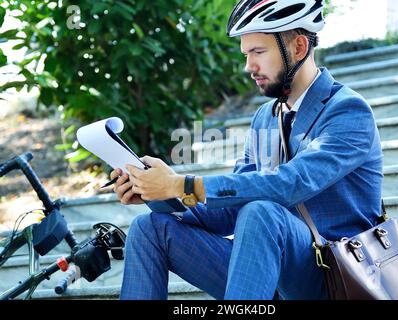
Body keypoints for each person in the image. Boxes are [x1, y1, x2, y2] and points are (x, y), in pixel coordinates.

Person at [113, 0, 383, 300]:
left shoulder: (347, 111)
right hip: (265, 274)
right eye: (246, 54)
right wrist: (159, 192)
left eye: (258, 52)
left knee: (261, 211)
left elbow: (290, 183)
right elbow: (227, 211)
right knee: (149, 228)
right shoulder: (266, 118)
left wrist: (183, 183)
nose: (248, 66)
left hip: (333, 278)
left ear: (298, 47)